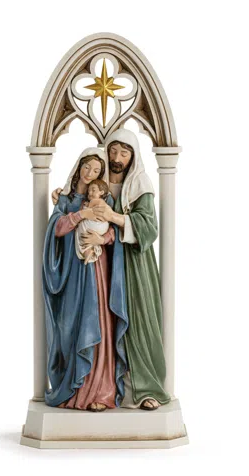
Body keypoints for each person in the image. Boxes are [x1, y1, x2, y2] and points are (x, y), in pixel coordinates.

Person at [52, 129, 170, 410]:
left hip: (133, 264)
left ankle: (144, 389)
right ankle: (102, 387)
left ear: (133, 157)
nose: (117, 158)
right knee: (102, 323)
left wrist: (113, 218)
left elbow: (149, 228)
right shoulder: (97, 183)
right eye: (113, 151)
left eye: (124, 153)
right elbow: (73, 204)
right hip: (100, 267)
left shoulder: (139, 184)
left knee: (138, 322)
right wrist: (64, 196)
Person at [43, 148, 128, 412]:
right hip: (73, 270)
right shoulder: (66, 199)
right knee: (70, 324)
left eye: (97, 171)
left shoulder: (104, 199)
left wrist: (102, 238)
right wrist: (80, 215)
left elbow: (114, 232)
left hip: (98, 269)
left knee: (100, 320)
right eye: (87, 167)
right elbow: (56, 229)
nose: (90, 174)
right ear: (79, 167)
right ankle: (74, 388)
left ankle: (101, 391)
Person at [75, 179, 111, 265]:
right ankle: (93, 249)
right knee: (88, 235)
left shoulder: (97, 201)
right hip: (103, 227)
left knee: (80, 229)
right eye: (89, 191)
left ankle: (86, 251)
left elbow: (88, 210)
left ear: (101, 192)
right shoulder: (104, 203)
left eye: (93, 190)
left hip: (97, 224)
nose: (90, 193)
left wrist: (86, 207)